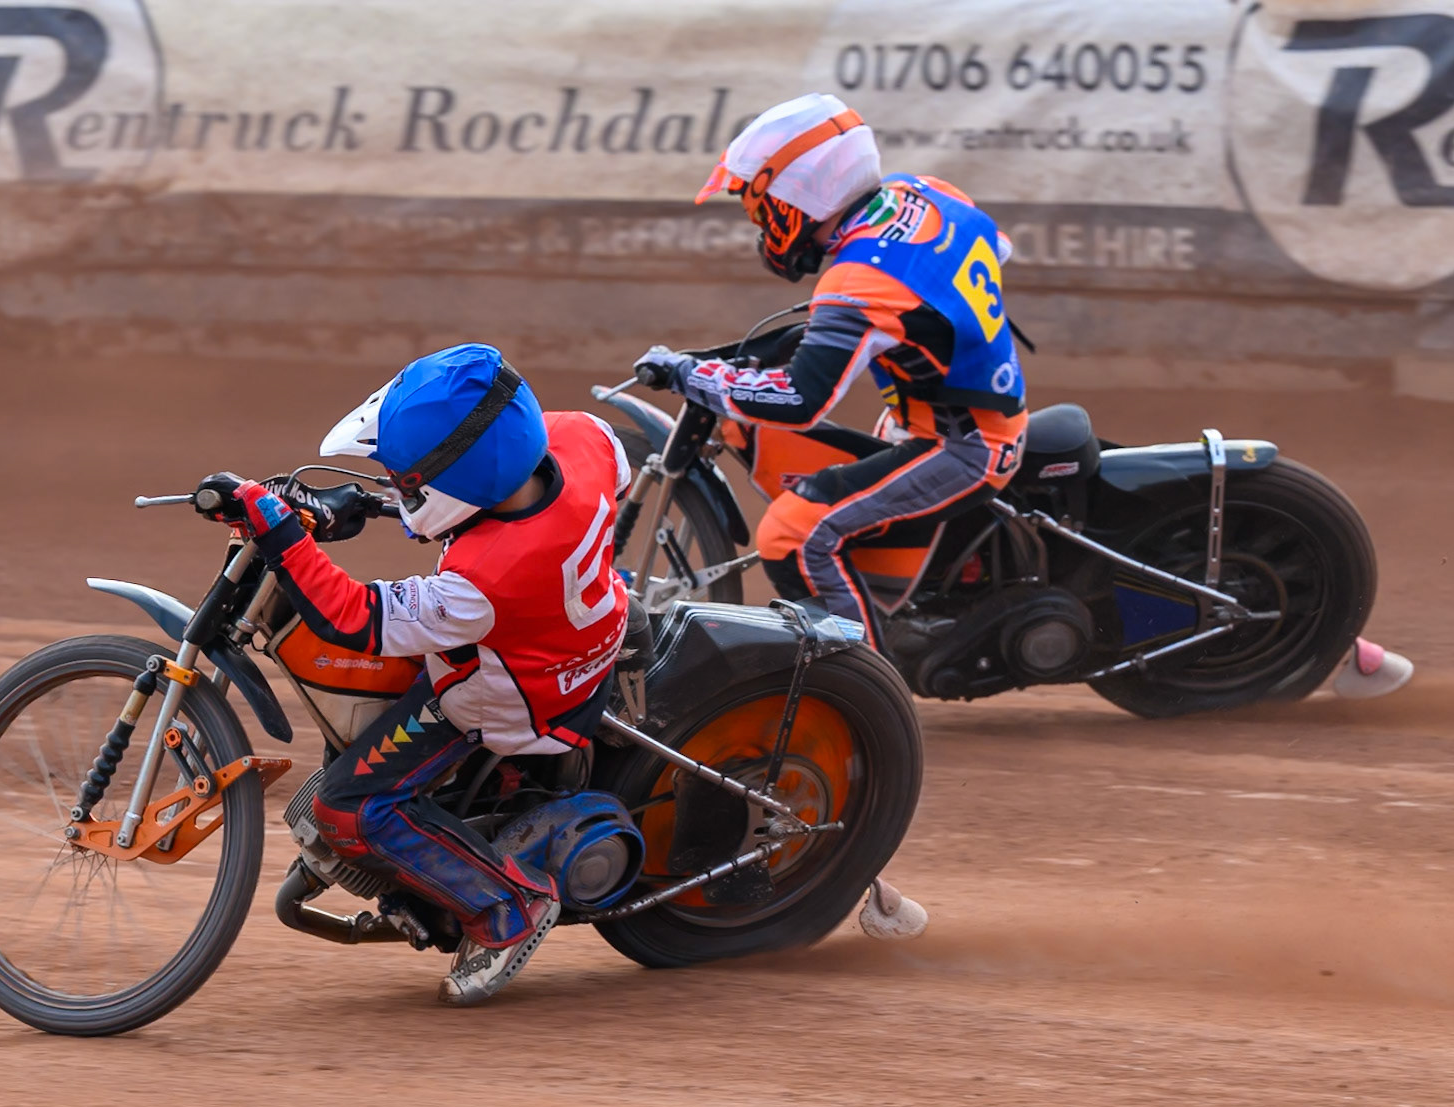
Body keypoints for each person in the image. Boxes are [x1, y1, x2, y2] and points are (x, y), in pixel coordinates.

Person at [194, 343, 632, 1006]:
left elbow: (352, 616)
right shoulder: (579, 437)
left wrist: (281, 530)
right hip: (586, 626)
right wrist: (360, 506)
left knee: (348, 807)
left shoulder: (482, 582)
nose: (399, 486)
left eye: (404, 480)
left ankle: (507, 907)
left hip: (504, 695)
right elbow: (596, 478)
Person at [635, 93, 1029, 651]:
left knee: (792, 534)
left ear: (800, 193)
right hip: (948, 411)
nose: (761, 224)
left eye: (762, 209)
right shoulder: (925, 192)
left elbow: (798, 400)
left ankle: (868, 684)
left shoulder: (856, 281)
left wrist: (688, 374)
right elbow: (996, 251)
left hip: (963, 446)